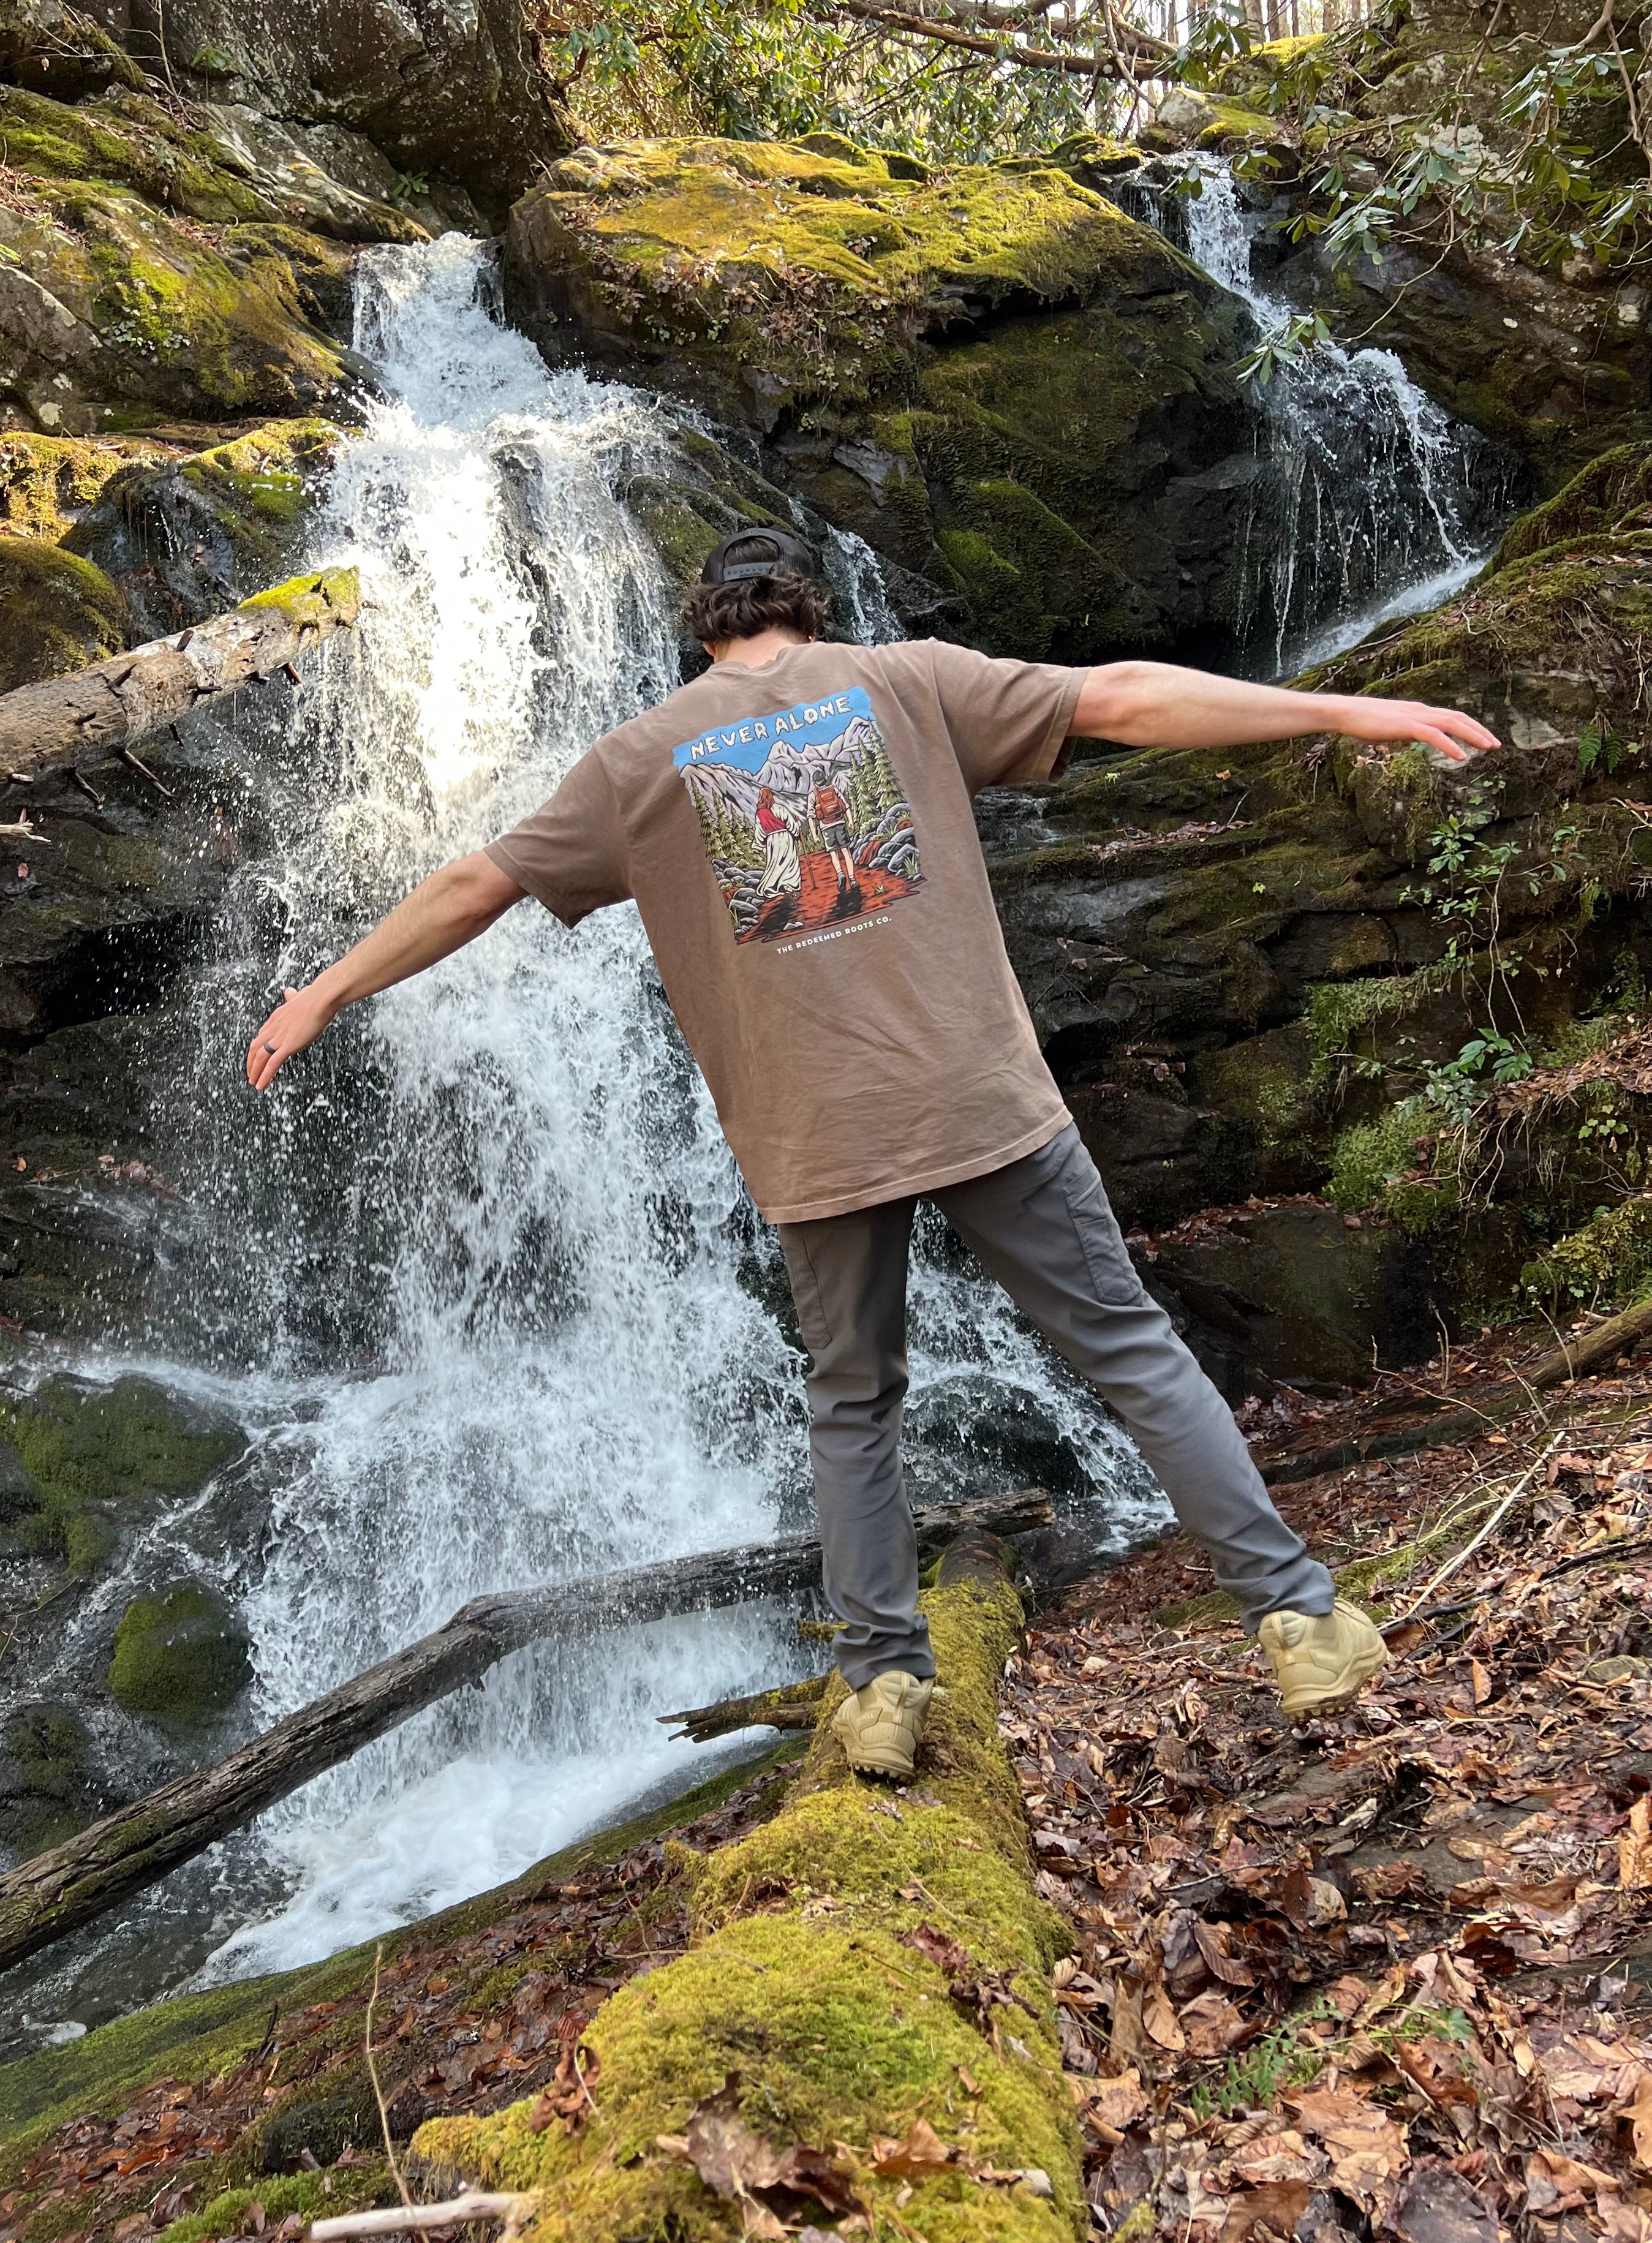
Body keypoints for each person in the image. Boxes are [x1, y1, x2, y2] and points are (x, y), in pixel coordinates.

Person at [245, 526, 1501, 1782]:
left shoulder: (638, 759)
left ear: (702, 628)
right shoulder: (908, 679)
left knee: (853, 1405)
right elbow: (1119, 697)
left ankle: (883, 1688)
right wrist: (1345, 708)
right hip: (979, 1100)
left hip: (815, 1136)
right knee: (1129, 1349)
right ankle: (1301, 1624)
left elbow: (478, 881)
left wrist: (326, 992)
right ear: (808, 606)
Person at [753, 783, 803, 932]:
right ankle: (789, 889)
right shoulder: (780, 808)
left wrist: (762, 845)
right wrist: (797, 828)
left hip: (772, 841)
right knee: (790, 864)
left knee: (776, 866)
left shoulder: (759, 814)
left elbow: (759, 832)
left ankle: (779, 888)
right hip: (785, 838)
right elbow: (791, 824)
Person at [811, 774, 860, 913]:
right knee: (846, 852)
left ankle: (840, 873)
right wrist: (850, 821)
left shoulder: (813, 795)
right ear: (825, 780)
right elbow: (846, 806)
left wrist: (814, 835)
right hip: (840, 823)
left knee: (834, 854)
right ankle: (852, 879)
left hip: (826, 827)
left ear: (816, 783)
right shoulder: (834, 789)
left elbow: (811, 816)